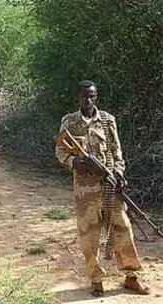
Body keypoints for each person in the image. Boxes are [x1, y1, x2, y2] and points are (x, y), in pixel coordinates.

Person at [55, 80, 149, 297]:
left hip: (109, 186)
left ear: (96, 97)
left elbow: (117, 152)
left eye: (92, 96)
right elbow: (60, 150)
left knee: (123, 229)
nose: (88, 100)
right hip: (85, 191)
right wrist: (73, 163)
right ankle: (96, 279)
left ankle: (131, 277)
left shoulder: (107, 121)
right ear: (77, 97)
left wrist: (119, 173)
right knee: (89, 235)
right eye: (84, 96)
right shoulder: (69, 121)